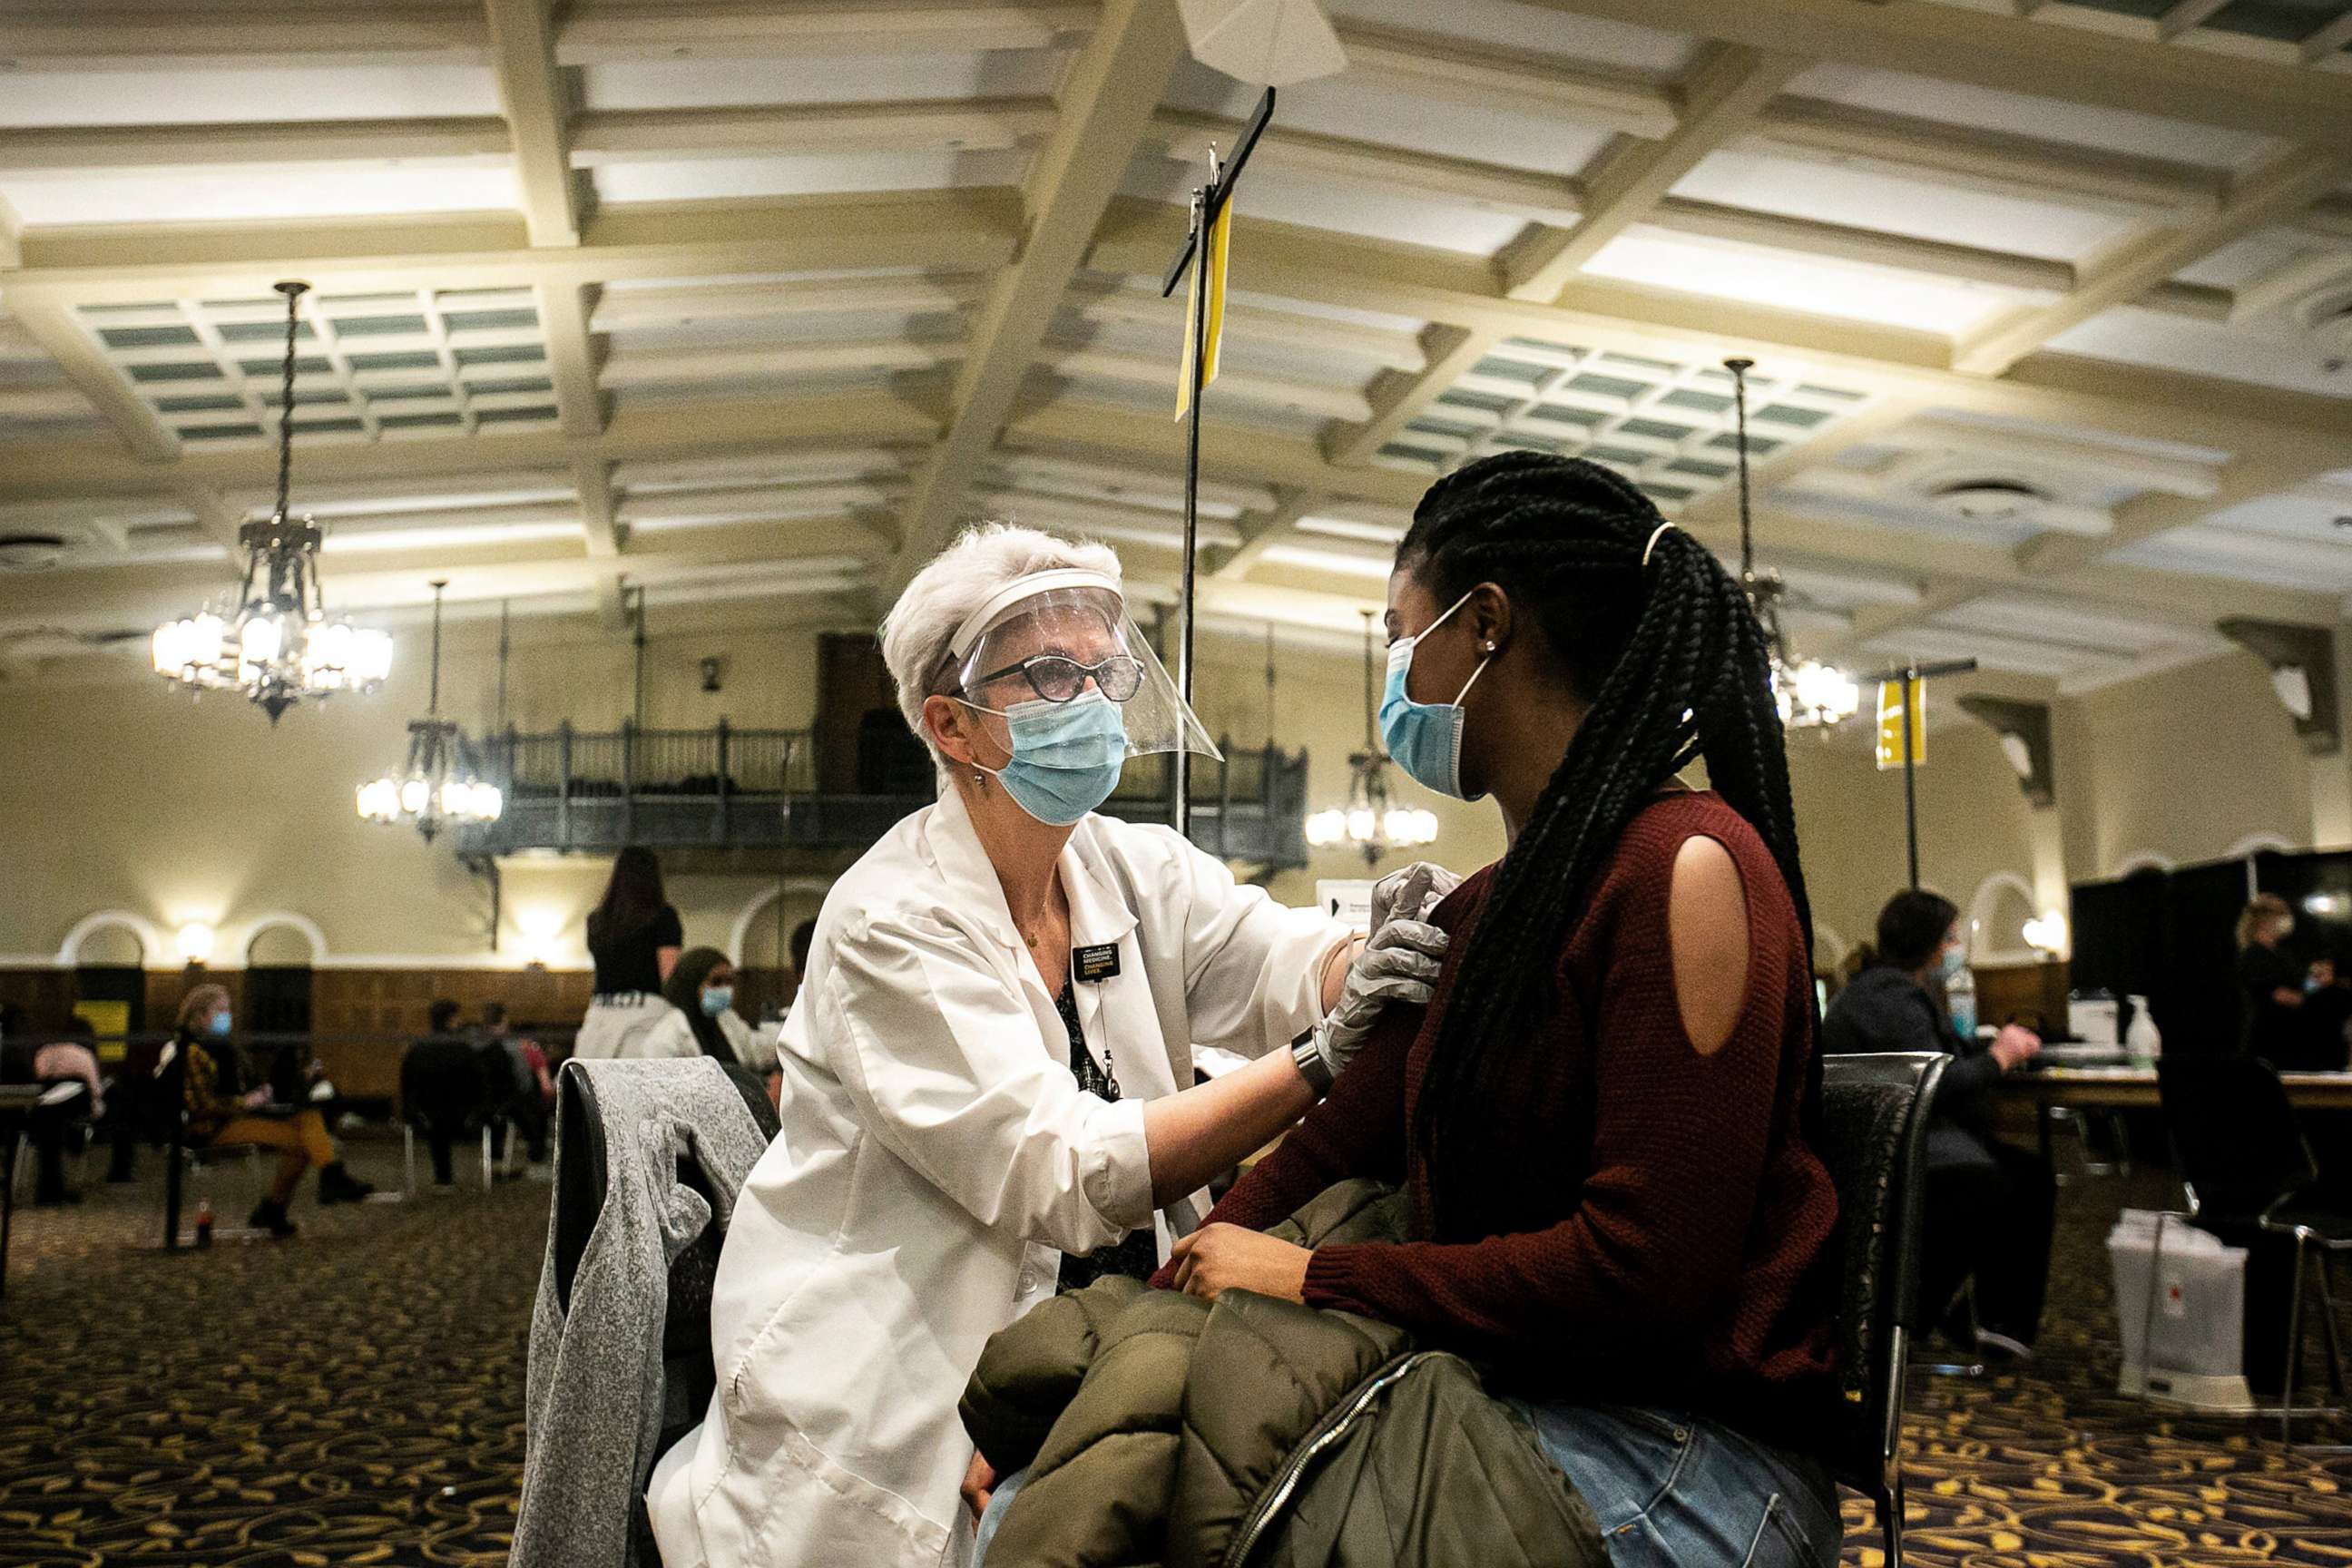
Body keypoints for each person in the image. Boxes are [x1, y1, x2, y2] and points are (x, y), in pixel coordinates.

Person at [1087, 453, 1848, 1568]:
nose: (1393, 671)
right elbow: (1318, 1158)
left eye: (1402, 634)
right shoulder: (1495, 903)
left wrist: (1314, 1275)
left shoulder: (1685, 867)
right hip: (1515, 1399)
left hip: (1692, 1448)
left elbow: (1644, 1276)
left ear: (1485, 623)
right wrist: (1109, 1371)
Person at [646, 524, 1445, 1568]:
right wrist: (1319, 1062)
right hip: (899, 1367)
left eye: (1107, 670)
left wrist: (1366, 952)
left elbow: (1274, 959)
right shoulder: (892, 919)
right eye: (1052, 675)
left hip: (1096, 1333)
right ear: (952, 725)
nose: (1097, 702)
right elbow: (1061, 1170)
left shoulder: (1128, 865)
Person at [1822, 889, 2053, 1359]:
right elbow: (1936, 1083)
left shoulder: (1891, 990)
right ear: (1930, 945)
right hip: (1892, 1150)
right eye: (1951, 938)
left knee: (2031, 1177)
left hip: (1902, 1139)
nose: (1956, 947)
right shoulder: (1889, 996)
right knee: (1997, 1184)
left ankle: (1992, 1319)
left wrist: (1989, 1056)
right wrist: (2000, 1057)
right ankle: (1920, 1314)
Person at [173, 983, 373, 1236]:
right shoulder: (192, 1050)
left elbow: (244, 1084)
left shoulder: (224, 1046)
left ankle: (322, 1181)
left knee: (307, 1116)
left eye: (228, 1009)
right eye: (220, 1010)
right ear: (199, 1015)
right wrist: (246, 1102)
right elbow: (200, 1105)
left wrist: (264, 1094)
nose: (227, 1016)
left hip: (239, 1116)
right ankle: (289, 1199)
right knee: (304, 1142)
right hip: (212, 1127)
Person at [573, 846, 682, 1061]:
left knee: (594, 1087)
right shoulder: (663, 916)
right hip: (645, 1015)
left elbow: (599, 973)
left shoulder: (596, 920)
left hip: (600, 1014)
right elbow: (669, 976)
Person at [638, 947, 779, 1076]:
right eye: (716, 982)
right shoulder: (667, 1036)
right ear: (692, 984)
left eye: (729, 981)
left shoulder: (726, 1019)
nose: (725, 989)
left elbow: (755, 1050)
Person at [2239, 893, 2307, 1061]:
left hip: (2287, 1036)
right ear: (2265, 921)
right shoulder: (2254, 955)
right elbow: (2277, 995)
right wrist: (2311, 1000)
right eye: (2282, 915)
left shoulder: (2281, 955)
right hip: (2268, 1038)